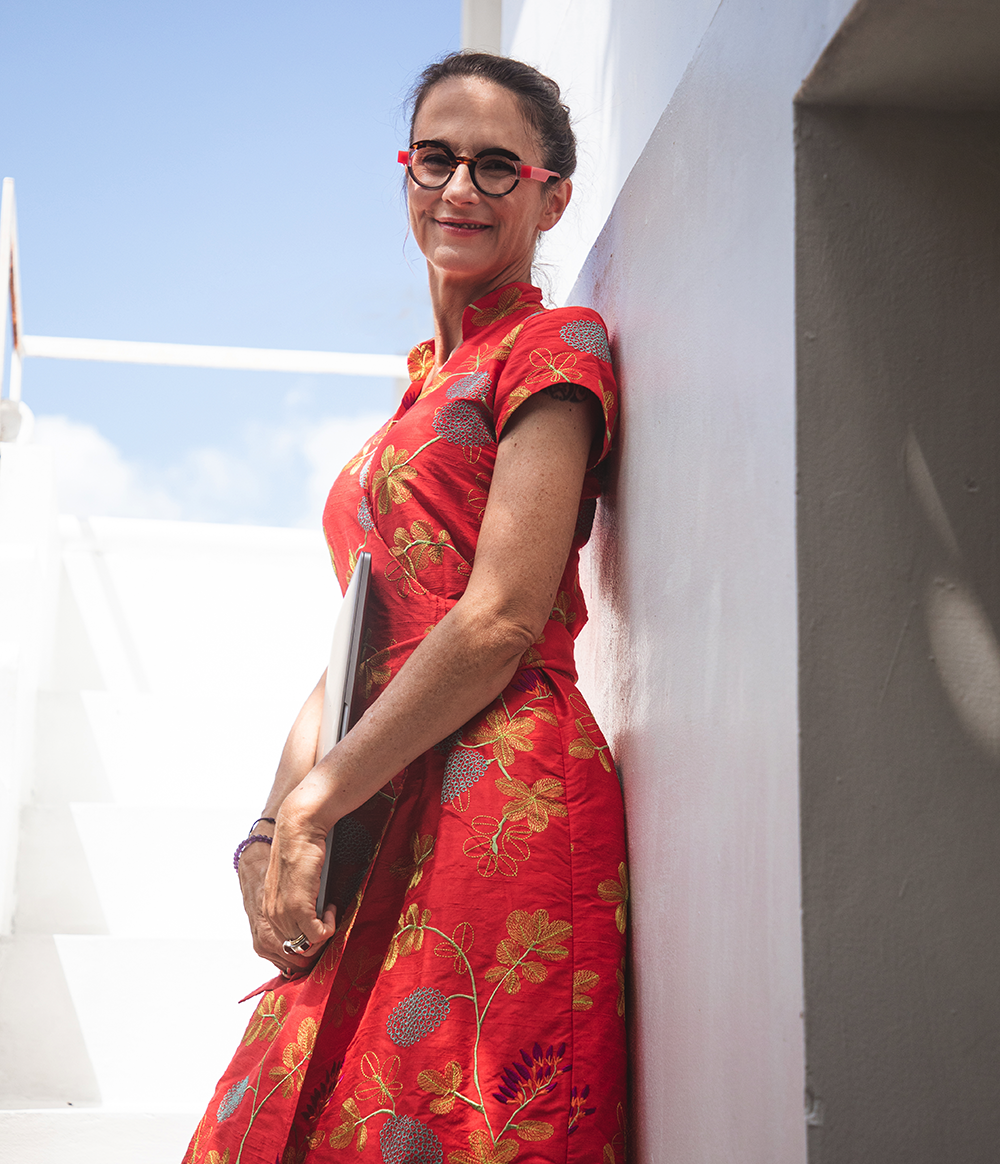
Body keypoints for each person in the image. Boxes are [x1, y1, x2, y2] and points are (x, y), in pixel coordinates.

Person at [184, 51, 627, 1164]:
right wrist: (268, 826)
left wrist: (314, 807)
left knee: (443, 1127)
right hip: (376, 782)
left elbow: (500, 618)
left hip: (498, 785)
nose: (460, 187)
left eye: (496, 165)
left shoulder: (554, 346)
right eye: (436, 158)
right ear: (408, 172)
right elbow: (355, 646)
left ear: (552, 198)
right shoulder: (422, 386)